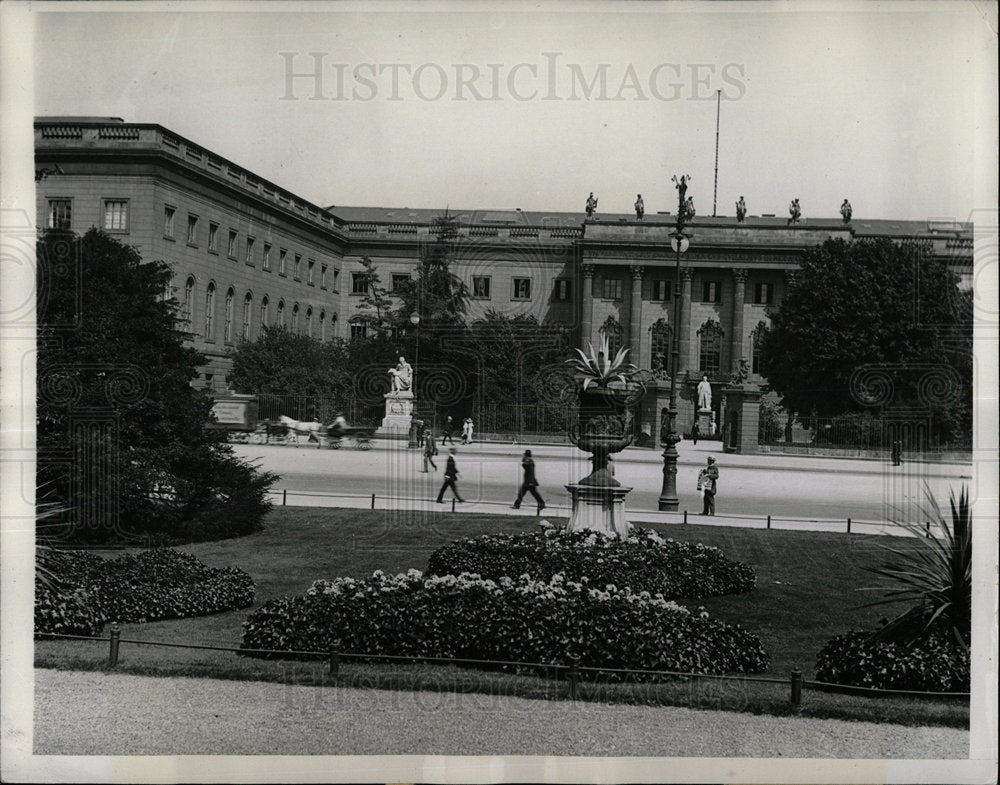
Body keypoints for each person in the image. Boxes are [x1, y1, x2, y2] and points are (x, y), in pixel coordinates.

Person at [512, 450, 545, 514]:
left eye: (524, 455)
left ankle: (517, 505)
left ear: (526, 455)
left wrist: (530, 482)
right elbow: (525, 467)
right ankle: (541, 504)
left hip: (528, 482)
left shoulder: (529, 461)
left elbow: (527, 467)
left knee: (522, 494)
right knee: (534, 494)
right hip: (530, 481)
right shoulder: (530, 461)